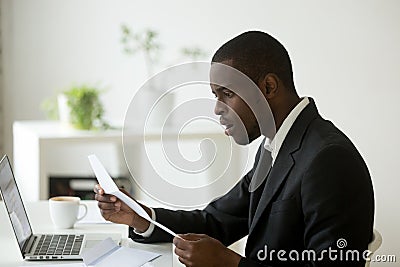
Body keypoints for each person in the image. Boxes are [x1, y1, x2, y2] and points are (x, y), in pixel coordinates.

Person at [94, 31, 374, 266]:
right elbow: (216, 221)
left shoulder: (329, 160)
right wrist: (140, 218)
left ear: (268, 87)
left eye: (227, 94)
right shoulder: (273, 146)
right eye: (215, 96)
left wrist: (230, 263)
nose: (217, 109)